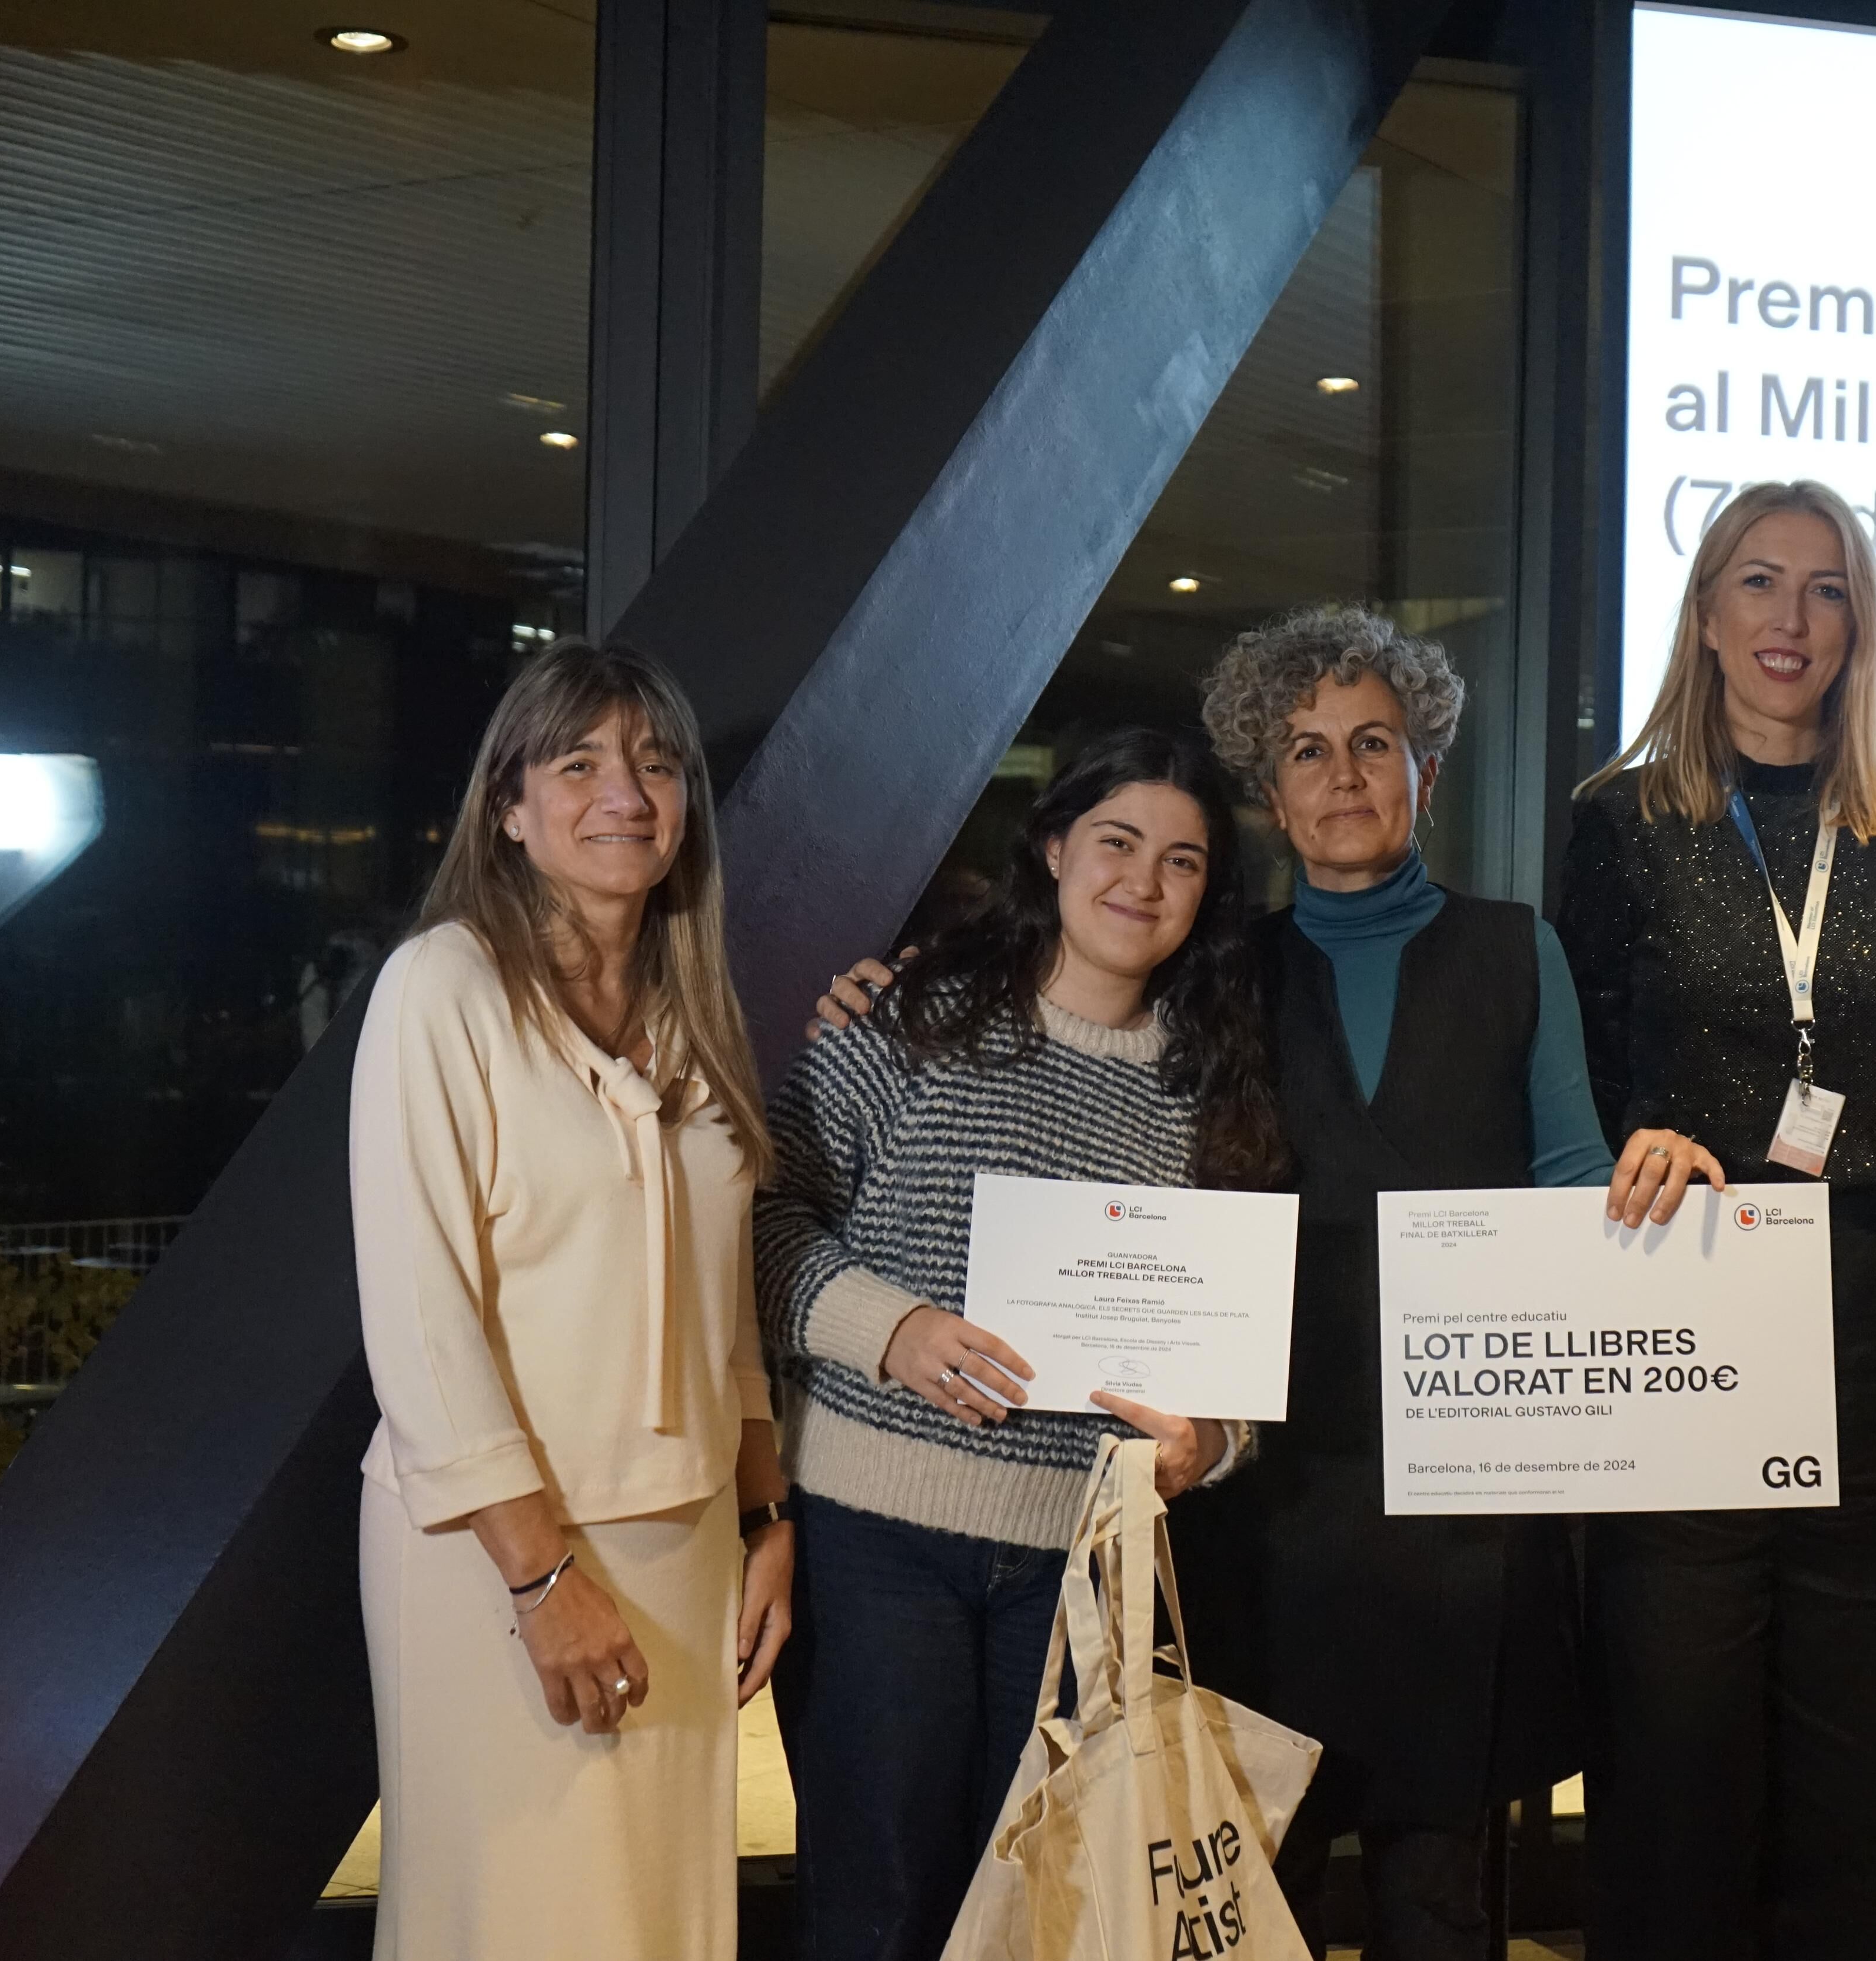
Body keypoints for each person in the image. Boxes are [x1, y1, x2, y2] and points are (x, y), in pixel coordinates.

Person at [817, 606, 1719, 1961]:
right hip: (1259, 1507)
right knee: (1245, 1903)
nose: (1344, 773)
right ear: (1270, 784)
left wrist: (1645, 1171)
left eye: (1375, 743)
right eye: (1307, 748)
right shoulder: (1217, 968)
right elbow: (1090, 1053)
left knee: (1438, 1905)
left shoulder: (1513, 949)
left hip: (1457, 1502)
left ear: (1430, 771)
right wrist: (893, 985)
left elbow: (1566, 1183)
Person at [1558, 480, 1876, 1961]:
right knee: (1676, 1739)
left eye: (1824, 589)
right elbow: (1587, 1091)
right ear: (1704, 613)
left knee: (1869, 1756)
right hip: (1687, 1293)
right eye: (1759, 583)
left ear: (1857, 620)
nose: (1790, 620)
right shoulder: (1618, 821)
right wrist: (1642, 1136)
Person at [757, 730, 1285, 1961]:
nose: (1142, 882)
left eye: (1183, 861)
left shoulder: (1219, 1089)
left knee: (1035, 1918)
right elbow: (760, 1217)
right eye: (1115, 841)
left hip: (1081, 1566)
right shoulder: (908, 1018)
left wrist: (1213, 1443)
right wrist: (889, 1329)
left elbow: (1237, 1348)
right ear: (1053, 847)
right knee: (878, 1905)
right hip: (873, 1538)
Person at [350, 641, 794, 1961]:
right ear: (509, 805)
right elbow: (421, 1318)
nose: (626, 793)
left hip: (687, 1534)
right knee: (511, 1916)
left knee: (657, 1919)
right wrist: (543, 1574)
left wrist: (767, 1513)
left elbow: (729, 1317)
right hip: (494, 1554)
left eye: (657, 764)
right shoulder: (444, 988)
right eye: (581, 762)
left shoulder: (695, 1005)